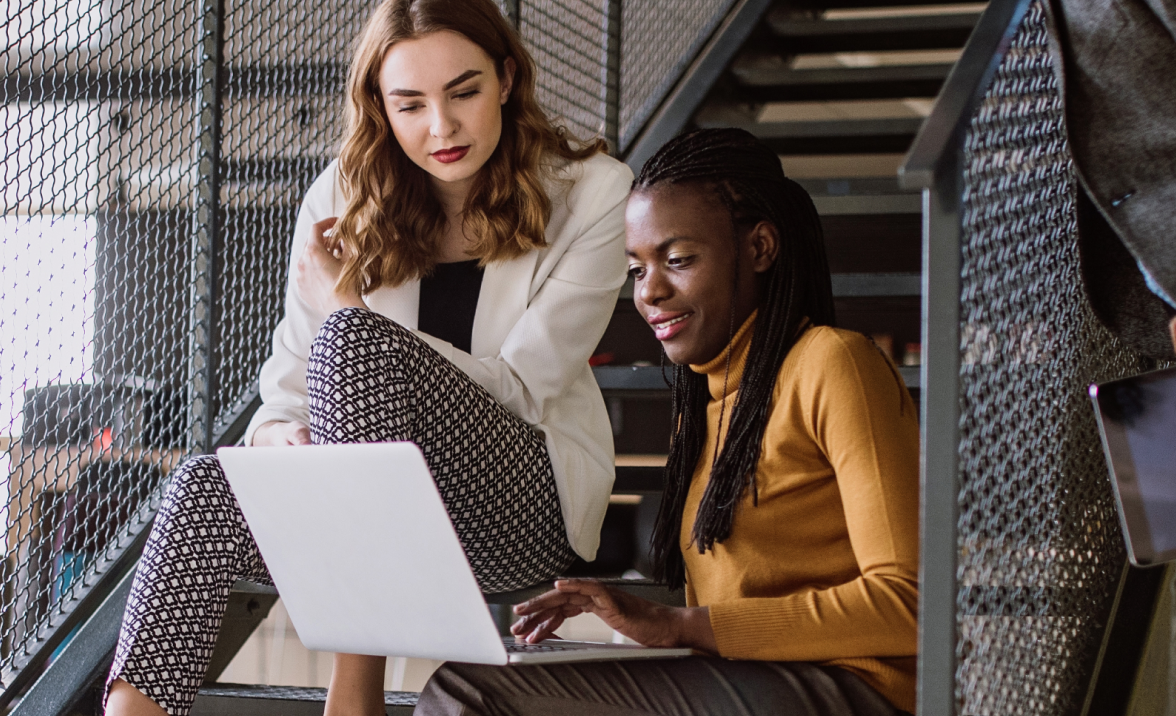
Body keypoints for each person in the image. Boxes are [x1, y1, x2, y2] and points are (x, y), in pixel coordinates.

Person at [103, 0, 632, 714]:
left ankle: (355, 687)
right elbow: (286, 390)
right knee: (203, 483)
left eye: (465, 92)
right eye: (409, 104)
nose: (441, 128)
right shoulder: (339, 198)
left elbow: (522, 389)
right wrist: (283, 438)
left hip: (515, 507)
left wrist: (351, 310)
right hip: (369, 516)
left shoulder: (595, 192)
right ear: (380, 106)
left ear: (507, 78)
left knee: (356, 341)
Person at [414, 128, 920, 716]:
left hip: (856, 691)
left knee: (467, 693)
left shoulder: (834, 364)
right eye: (636, 269)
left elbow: (910, 604)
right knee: (478, 677)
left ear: (759, 248)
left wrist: (681, 625)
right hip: (755, 680)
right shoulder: (709, 398)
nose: (650, 291)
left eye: (677, 260)